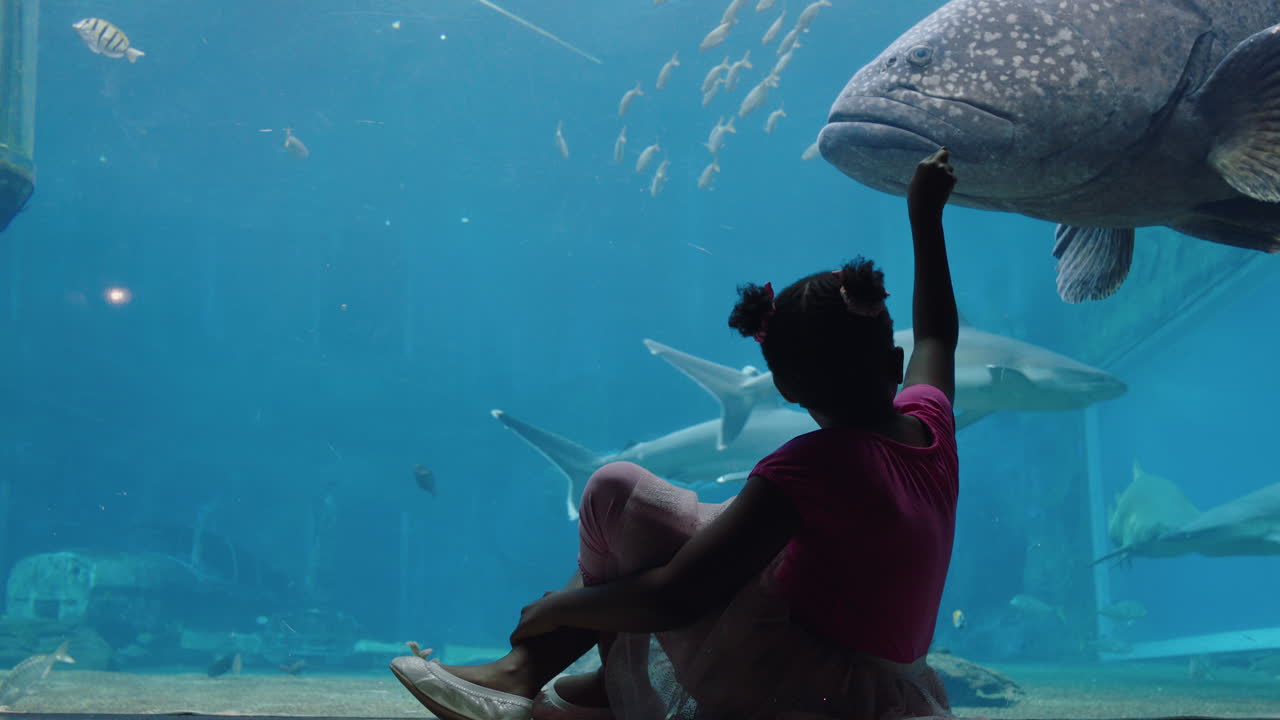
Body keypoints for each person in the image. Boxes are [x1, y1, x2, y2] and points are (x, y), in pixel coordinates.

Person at [389, 148, 962, 720]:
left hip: (799, 688)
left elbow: (674, 597)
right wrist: (926, 216)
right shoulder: (932, 423)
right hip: (892, 686)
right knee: (697, 529)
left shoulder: (808, 467)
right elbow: (937, 335)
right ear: (894, 360)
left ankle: (535, 674)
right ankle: (594, 683)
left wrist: (561, 607)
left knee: (613, 488)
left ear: (784, 389)